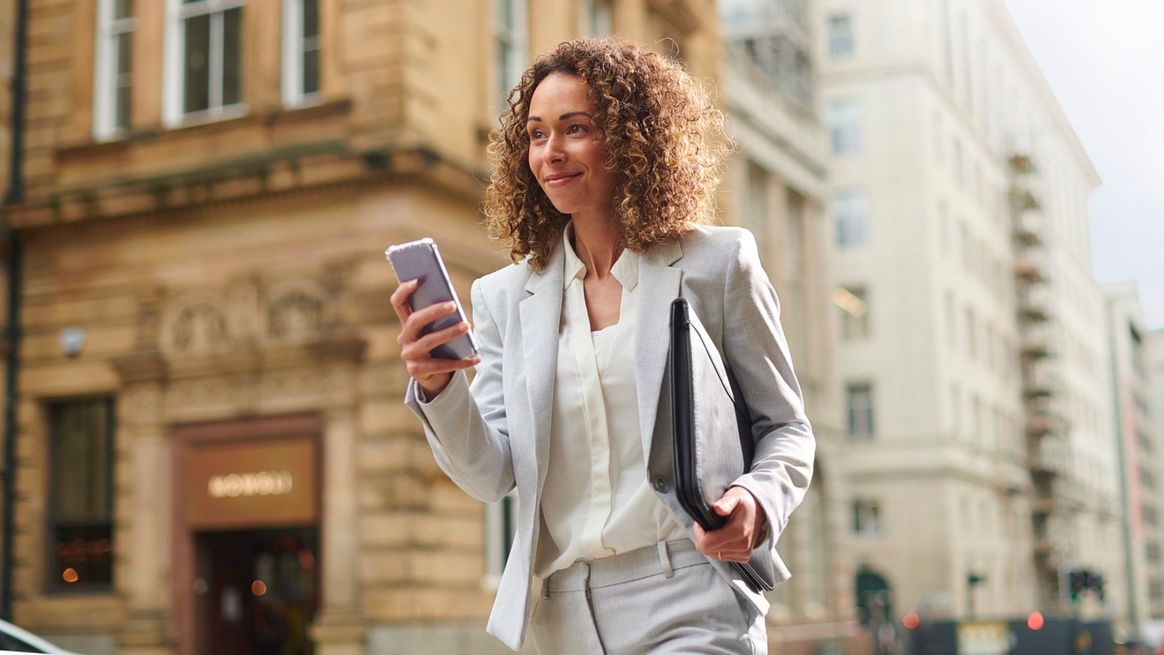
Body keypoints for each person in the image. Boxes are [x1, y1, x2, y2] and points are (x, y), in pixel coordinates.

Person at [391, 37, 814, 654]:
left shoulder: (717, 264)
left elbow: (787, 428)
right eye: (536, 134)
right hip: (559, 615)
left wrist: (756, 498)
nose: (551, 153)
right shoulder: (505, 299)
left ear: (633, 141)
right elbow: (490, 474)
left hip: (690, 593)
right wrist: (438, 387)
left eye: (576, 128)